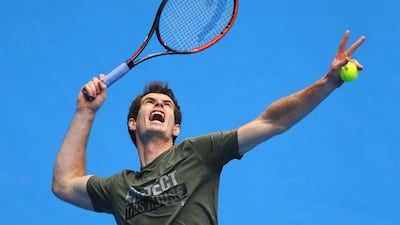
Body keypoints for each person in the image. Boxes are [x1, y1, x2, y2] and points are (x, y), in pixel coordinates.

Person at [52, 30, 365, 225]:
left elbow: (272, 121)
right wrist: (85, 111)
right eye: (150, 103)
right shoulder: (119, 189)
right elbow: (64, 184)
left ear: (176, 128)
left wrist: (327, 83)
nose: (159, 106)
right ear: (133, 123)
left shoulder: (198, 154)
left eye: (167, 105)